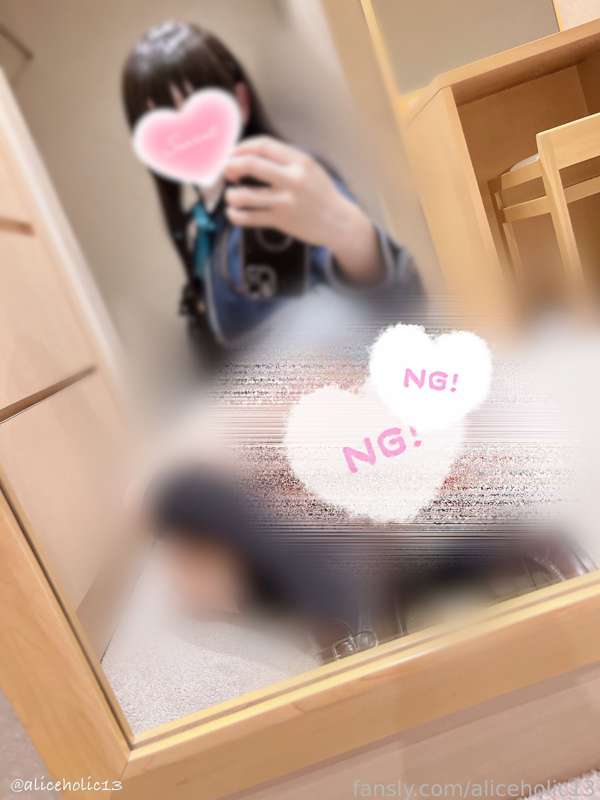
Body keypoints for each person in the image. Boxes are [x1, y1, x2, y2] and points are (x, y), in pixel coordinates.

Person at [122, 20, 422, 362]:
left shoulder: (287, 182)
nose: (185, 133)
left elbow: (380, 297)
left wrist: (352, 236)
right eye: (161, 126)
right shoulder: (197, 226)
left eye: (199, 110)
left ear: (240, 101)